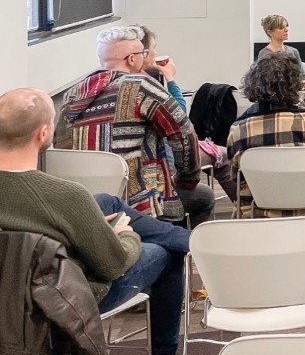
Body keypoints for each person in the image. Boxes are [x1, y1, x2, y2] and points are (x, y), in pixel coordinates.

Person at [0, 88, 187, 355]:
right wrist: (125, 237)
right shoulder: (64, 197)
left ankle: (190, 239)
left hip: (12, 297)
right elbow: (113, 265)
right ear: (43, 133)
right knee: (166, 253)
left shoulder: (66, 200)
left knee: (105, 201)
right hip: (63, 303)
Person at [55, 25, 212, 226]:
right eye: (144, 53)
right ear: (132, 59)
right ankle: (187, 251)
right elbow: (183, 133)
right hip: (139, 204)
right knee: (203, 198)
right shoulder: (141, 86)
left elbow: (61, 144)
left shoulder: (73, 94)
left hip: (87, 205)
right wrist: (186, 179)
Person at [226, 51, 305, 219]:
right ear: (295, 84)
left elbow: (236, 179)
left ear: (253, 84)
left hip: (260, 219)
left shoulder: (240, 131)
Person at [135, 24, 238, 201]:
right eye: (154, 48)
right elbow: (179, 115)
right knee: (224, 156)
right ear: (142, 53)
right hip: (163, 158)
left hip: (144, 161)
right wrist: (171, 78)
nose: (155, 52)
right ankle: (244, 208)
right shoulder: (144, 84)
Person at [256, 14, 305, 87]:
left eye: (286, 26)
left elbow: (302, 75)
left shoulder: (293, 51)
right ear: (270, 32)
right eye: (281, 28)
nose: (286, 30)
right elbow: (263, 81)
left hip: (293, 93)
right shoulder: (264, 54)